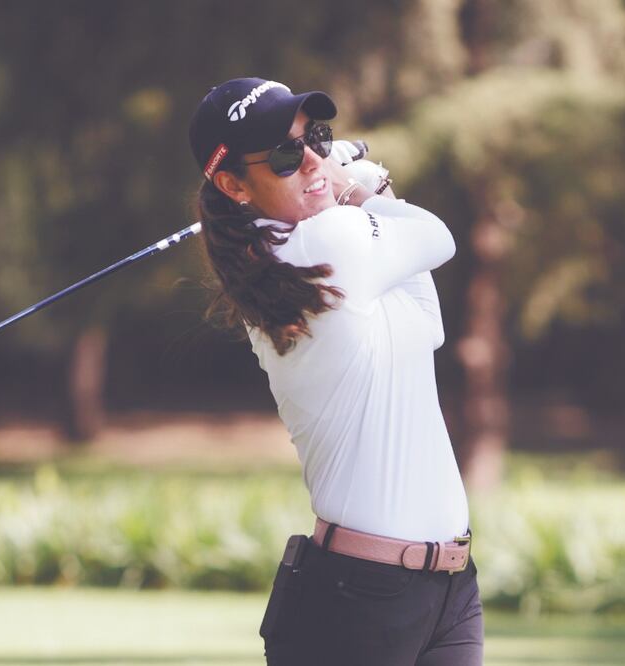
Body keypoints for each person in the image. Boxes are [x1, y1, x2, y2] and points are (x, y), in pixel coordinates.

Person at [188, 77, 483, 665]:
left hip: (447, 585)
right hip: (362, 595)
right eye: (284, 155)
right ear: (232, 185)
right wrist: (363, 186)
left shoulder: (306, 258)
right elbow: (436, 236)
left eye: (316, 138)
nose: (314, 160)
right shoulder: (323, 245)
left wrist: (358, 189)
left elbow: (428, 325)